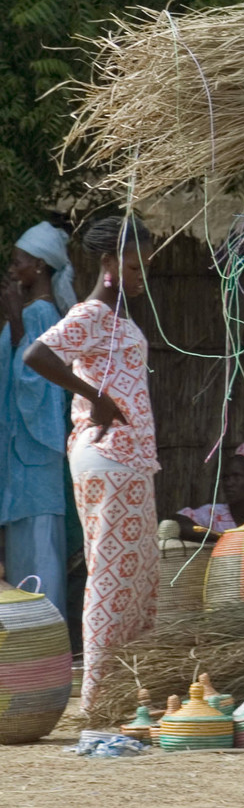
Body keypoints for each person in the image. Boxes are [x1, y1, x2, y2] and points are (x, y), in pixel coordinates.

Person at [24, 214, 159, 713]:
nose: (140, 276)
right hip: (108, 455)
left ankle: (129, 693)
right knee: (111, 576)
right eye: (133, 266)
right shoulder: (94, 314)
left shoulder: (118, 319)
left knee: (139, 578)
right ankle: (100, 700)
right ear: (107, 264)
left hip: (129, 460)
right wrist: (95, 398)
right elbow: (38, 355)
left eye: (144, 267)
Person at [2, 221, 73, 614]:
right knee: (22, 556)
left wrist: (14, 323)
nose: (13, 271)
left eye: (18, 263)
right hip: (19, 457)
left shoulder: (43, 314)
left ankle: (48, 638)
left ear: (40, 266)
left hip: (37, 454)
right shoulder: (30, 313)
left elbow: (40, 383)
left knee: (40, 554)